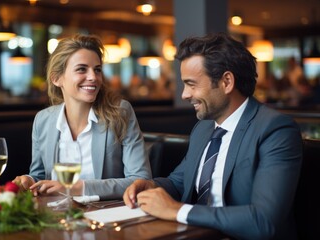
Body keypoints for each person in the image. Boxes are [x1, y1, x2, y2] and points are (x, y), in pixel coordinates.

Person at [123, 32, 303, 240]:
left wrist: (177, 210)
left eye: (192, 84)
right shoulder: (203, 128)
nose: (184, 94)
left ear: (226, 81)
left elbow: (263, 221)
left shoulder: (275, 130)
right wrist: (151, 186)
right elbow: (178, 182)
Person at [13, 34, 151, 199]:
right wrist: (29, 180)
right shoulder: (43, 120)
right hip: (56, 216)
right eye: (81, 69)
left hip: (105, 215)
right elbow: (41, 176)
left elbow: (141, 181)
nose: (93, 77)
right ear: (56, 78)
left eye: (97, 69)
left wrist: (78, 188)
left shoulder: (120, 112)